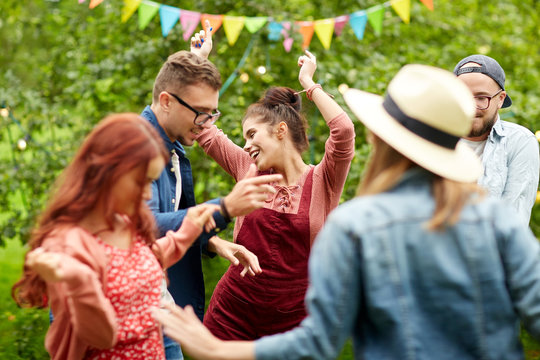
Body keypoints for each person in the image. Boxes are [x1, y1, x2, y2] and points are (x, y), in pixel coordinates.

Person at [154, 64, 540, 360]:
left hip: (283, 316)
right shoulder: (499, 223)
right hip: (237, 309)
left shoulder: (356, 226)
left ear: (379, 137)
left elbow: (320, 339)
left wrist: (219, 351)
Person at [11, 113, 221, 360]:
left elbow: (144, 263)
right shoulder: (68, 245)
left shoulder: (124, 220)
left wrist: (187, 233)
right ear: (108, 173)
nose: (147, 195)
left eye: (151, 182)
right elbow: (100, 337)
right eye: (141, 182)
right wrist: (80, 282)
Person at [191, 49, 355, 340]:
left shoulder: (324, 179)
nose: (246, 145)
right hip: (233, 316)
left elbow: (342, 130)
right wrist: (197, 64)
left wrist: (309, 83)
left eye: (252, 134)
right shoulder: (247, 167)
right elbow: (203, 128)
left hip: (296, 323)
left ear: (281, 130)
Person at [142, 23, 282, 358]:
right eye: (201, 113)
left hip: (160, 300)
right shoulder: (139, 148)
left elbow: (170, 217)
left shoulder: (172, 147)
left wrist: (213, 241)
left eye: (211, 113)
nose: (206, 122)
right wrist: (225, 208)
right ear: (165, 101)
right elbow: (144, 227)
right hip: (125, 308)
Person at [453, 54, 539, 225]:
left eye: (481, 98)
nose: (471, 107)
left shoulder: (519, 142)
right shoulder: (432, 136)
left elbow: (512, 221)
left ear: (500, 99)